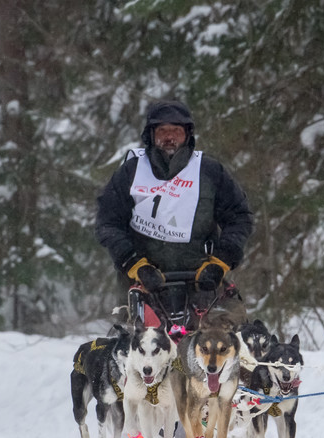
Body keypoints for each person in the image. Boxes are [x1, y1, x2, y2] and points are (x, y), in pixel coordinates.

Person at [95, 100, 254, 327]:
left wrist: (221, 262)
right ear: (150, 135)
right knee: (137, 349)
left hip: (201, 278)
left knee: (231, 338)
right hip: (143, 279)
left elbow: (239, 217)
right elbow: (108, 223)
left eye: (176, 131)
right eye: (162, 131)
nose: (169, 137)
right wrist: (133, 263)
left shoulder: (209, 171)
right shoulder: (130, 172)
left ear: (187, 135)